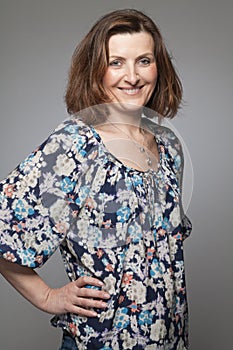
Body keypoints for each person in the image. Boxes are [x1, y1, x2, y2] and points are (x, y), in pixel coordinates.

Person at [0, 8, 192, 350]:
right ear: (95, 71)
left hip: (171, 340)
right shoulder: (75, 146)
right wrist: (46, 296)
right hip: (100, 342)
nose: (132, 76)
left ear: (158, 67)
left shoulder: (169, 147)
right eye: (116, 62)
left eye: (144, 60)